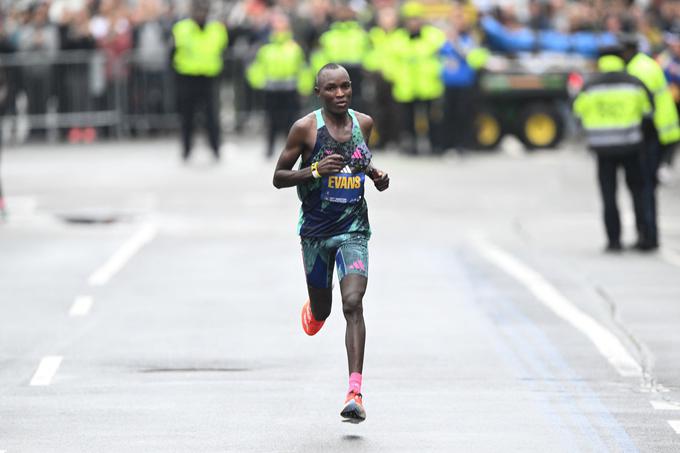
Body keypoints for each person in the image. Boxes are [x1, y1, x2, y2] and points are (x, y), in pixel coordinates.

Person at [272, 63, 389, 423]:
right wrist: (315, 171)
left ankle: (355, 392)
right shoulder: (305, 130)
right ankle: (314, 307)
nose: (340, 94)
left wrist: (377, 177)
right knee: (323, 311)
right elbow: (278, 177)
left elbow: (361, 163)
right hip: (316, 233)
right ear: (318, 93)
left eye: (346, 87)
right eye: (332, 89)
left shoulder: (363, 124)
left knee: (353, 304)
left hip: (354, 228)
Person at [573, 52, 654, 252]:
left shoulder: (590, 86)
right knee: (637, 192)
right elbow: (648, 112)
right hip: (631, 147)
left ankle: (614, 241)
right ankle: (643, 235)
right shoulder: (634, 83)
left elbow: (577, 111)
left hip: (603, 149)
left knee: (609, 196)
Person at [622, 33, 680, 250]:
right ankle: (647, 235)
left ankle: (649, 237)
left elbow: (642, 109)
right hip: (660, 131)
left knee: (645, 186)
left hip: (652, 134)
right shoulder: (646, 64)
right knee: (646, 186)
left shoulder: (639, 70)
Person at [246, 11, 310, 158]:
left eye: (282, 25)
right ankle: (270, 148)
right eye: (277, 25)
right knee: (271, 121)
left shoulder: (295, 47)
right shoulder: (265, 47)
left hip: (290, 89)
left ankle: (292, 150)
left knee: (292, 122)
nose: (280, 28)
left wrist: (304, 88)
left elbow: (303, 69)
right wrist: (259, 82)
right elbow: (256, 67)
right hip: (272, 90)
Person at [172, 0, 228, 161]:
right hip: (188, 78)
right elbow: (173, 53)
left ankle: (215, 148)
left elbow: (221, 50)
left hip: (209, 78)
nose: (200, 14)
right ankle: (186, 149)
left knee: (212, 117)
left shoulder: (217, 29)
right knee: (187, 117)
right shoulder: (181, 28)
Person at [390, 1, 446, 155]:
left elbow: (444, 57)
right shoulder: (397, 38)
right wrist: (396, 76)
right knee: (407, 119)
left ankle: (435, 145)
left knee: (432, 119)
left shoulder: (434, 36)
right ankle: (411, 145)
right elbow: (390, 61)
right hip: (406, 86)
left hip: (429, 85)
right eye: (410, 19)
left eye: (416, 19)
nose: (413, 22)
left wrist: (437, 72)